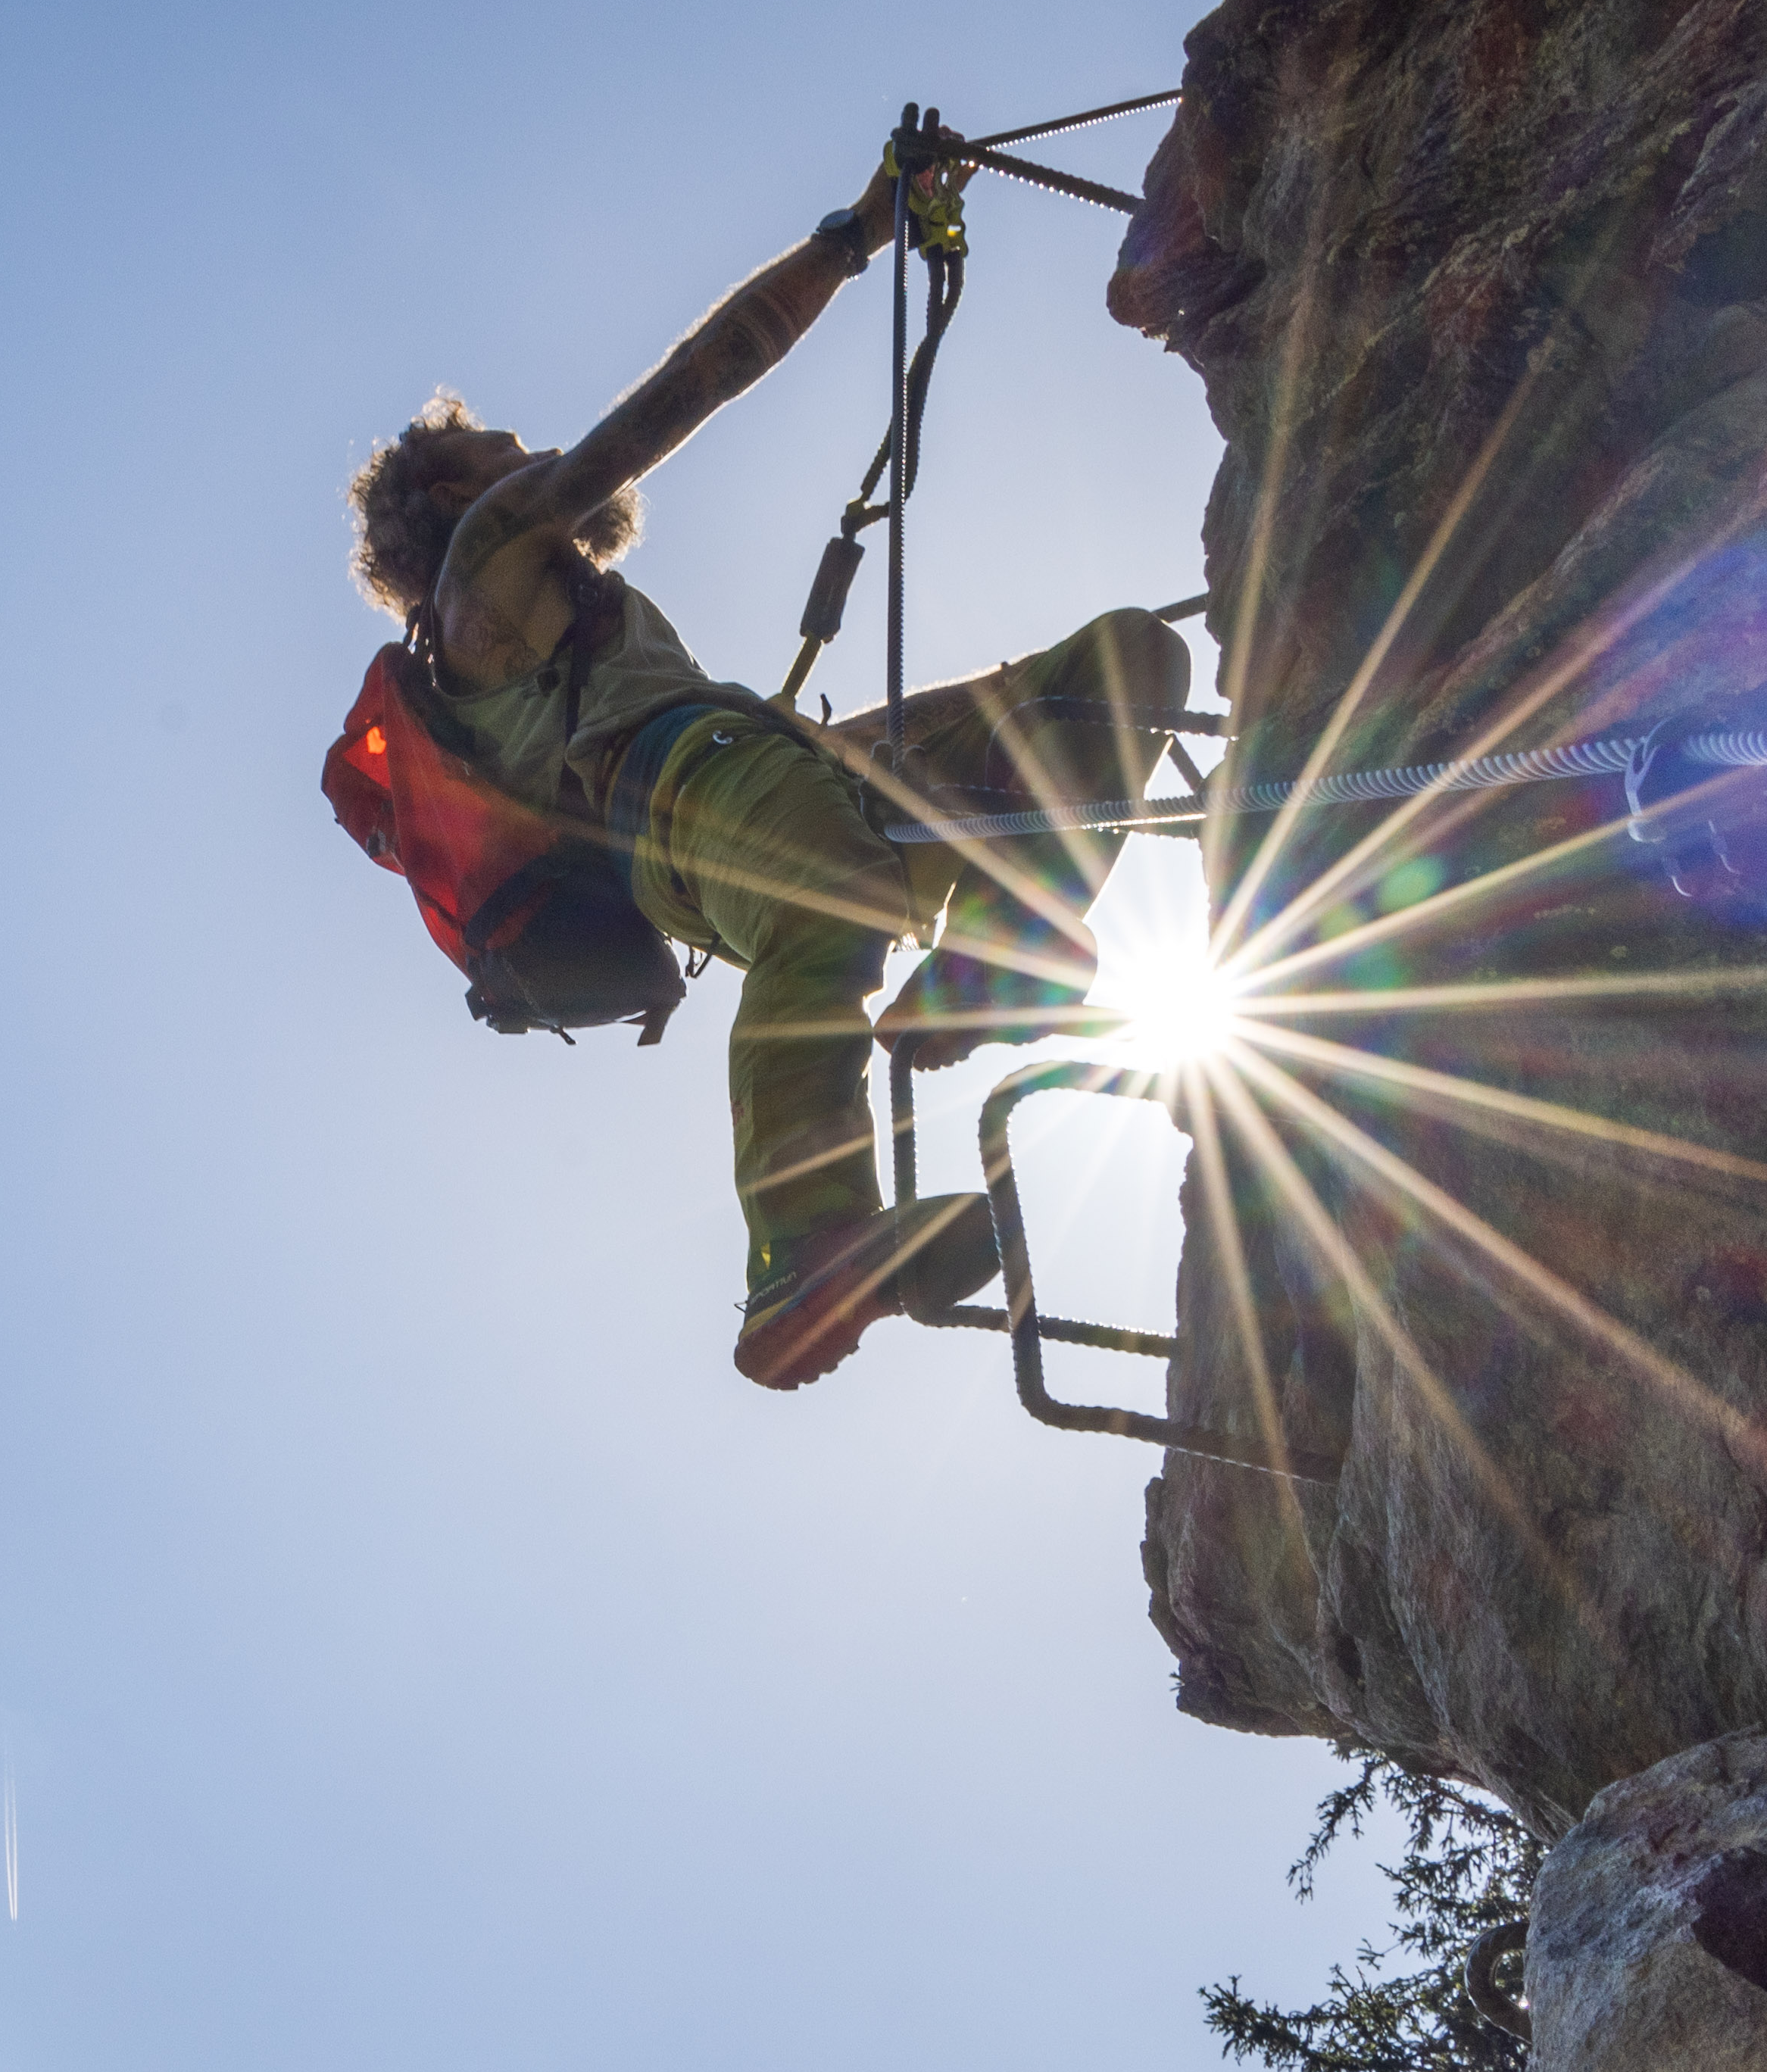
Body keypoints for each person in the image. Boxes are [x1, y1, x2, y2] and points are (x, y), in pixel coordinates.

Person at [346, 138, 1192, 1390]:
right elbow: (694, 385)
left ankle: (997, 956)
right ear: (450, 505)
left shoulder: (581, 619)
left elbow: (771, 760)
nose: (532, 459)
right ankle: (804, 1249)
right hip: (684, 800)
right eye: (503, 455)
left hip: (763, 770)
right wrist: (856, 237)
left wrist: (999, 710)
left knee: (1123, 664)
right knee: (815, 897)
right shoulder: (482, 573)